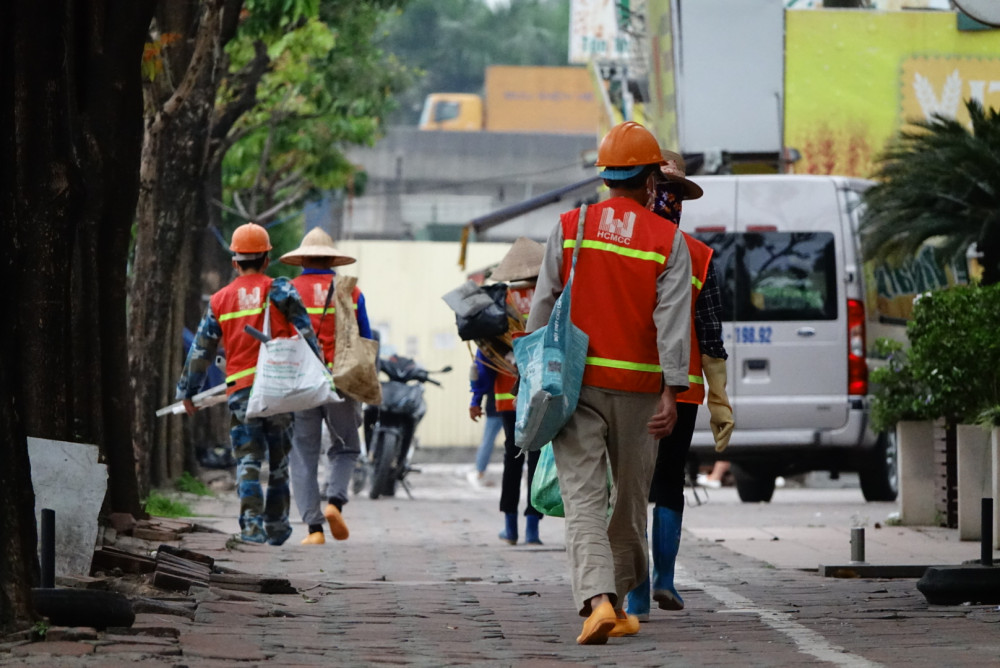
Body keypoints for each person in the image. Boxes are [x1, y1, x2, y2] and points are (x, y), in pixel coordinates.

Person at [525, 121, 692, 645]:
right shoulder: (668, 240)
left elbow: (542, 308)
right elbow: (671, 322)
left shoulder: (570, 227)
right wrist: (673, 390)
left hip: (575, 386)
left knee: (582, 499)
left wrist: (536, 377)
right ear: (649, 183)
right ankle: (613, 601)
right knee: (628, 502)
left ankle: (601, 602)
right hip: (640, 394)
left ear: (605, 178)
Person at [624, 151, 734, 620]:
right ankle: (663, 580)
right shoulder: (699, 255)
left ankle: (638, 594)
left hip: (626, 386)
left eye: (675, 195)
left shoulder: (620, 247)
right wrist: (721, 400)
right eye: (666, 192)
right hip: (681, 388)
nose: (670, 201)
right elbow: (710, 337)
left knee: (630, 485)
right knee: (667, 481)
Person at [176, 222, 320, 545]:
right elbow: (308, 336)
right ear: (267, 259)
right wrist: (319, 376)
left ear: (234, 261)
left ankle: (252, 528)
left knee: (248, 461)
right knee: (280, 463)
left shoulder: (220, 301)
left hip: (242, 392)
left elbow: (201, 350)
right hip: (280, 392)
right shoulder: (281, 290)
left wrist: (187, 392)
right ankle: (278, 526)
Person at [278, 227, 373, 546]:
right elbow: (365, 338)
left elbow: (279, 339)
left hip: (302, 383)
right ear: (332, 260)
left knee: (303, 454)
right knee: (345, 446)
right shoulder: (350, 291)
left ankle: (314, 530)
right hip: (341, 381)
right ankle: (335, 502)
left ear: (302, 259)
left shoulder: (289, 290)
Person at [471, 237, 546, 545]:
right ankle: (533, 528)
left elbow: (484, 356)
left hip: (508, 397)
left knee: (512, 458)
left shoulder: (502, 300)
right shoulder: (552, 296)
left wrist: (477, 397)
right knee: (537, 459)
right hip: (545, 395)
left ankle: (510, 527)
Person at [467, 351, 502, 488]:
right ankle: (528, 473)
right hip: (511, 407)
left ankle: (480, 472)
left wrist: (476, 400)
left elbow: (480, 375)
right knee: (520, 443)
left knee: (488, 440)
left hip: (495, 406)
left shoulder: (490, 350)